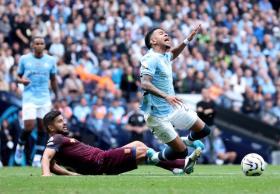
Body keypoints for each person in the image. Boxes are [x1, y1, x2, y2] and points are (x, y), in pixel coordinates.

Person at [139, 25, 211, 174]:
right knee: (182, 152)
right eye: (161, 33)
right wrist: (166, 96)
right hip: (156, 115)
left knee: (204, 130)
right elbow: (145, 83)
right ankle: (155, 157)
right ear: (153, 41)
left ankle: (187, 140)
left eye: (165, 32)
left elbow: (173, 54)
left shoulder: (164, 56)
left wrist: (186, 40)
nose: (165, 34)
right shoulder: (150, 58)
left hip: (172, 107)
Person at [41, 110, 199, 176]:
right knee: (144, 151)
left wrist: (71, 175)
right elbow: (47, 158)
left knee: (138, 144)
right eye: (60, 121)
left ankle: (177, 167)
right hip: (101, 162)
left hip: (102, 158)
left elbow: (53, 164)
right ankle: (181, 163)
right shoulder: (56, 139)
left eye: (63, 120)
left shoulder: (59, 141)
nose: (64, 123)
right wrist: (46, 173)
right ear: (50, 127)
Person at [14, 36, 59, 167]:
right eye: (37, 43)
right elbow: (16, 76)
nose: (39, 45)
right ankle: (20, 146)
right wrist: (21, 81)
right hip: (29, 97)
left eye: (42, 43)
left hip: (44, 98)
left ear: (44, 46)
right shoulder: (24, 59)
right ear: (32, 46)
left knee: (43, 127)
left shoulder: (50, 60)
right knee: (29, 126)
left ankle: (37, 157)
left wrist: (57, 95)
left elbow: (54, 79)